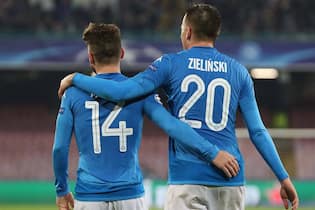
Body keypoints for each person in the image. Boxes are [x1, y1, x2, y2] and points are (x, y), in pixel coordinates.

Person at [58, 4, 299, 210]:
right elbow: (257, 131)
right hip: (231, 177)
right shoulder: (238, 71)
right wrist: (283, 176)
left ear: (188, 31)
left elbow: (122, 91)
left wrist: (75, 79)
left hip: (187, 177)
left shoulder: (170, 64)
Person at [53, 22, 240, 210]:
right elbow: (172, 126)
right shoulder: (141, 92)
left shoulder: (72, 94)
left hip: (89, 196)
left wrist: (62, 190)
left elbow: (60, 148)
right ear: (122, 53)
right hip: (130, 196)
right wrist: (212, 153)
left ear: (90, 57)